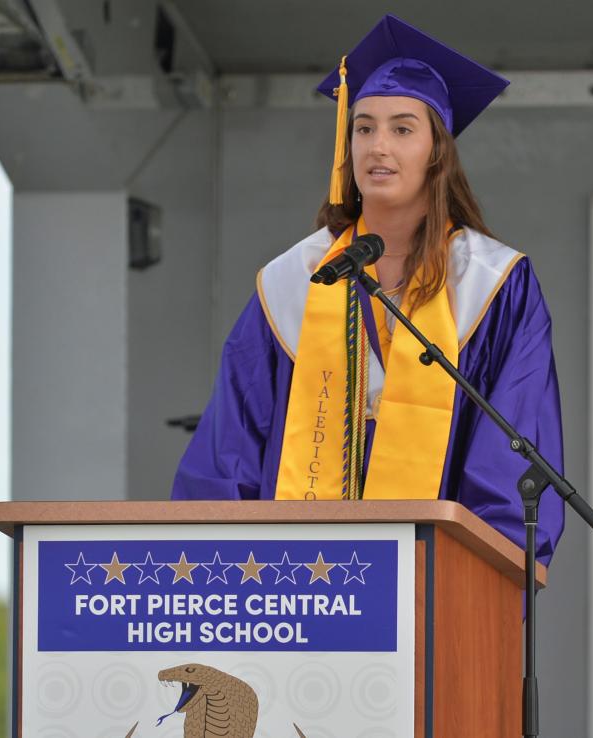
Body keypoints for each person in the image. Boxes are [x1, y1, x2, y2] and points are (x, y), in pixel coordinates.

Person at [172, 14, 565, 565]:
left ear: (437, 151)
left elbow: (511, 455)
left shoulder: (493, 284)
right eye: (363, 127)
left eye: (402, 128)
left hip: (438, 590)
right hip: (298, 592)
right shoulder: (291, 283)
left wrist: (480, 581)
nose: (378, 146)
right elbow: (227, 454)